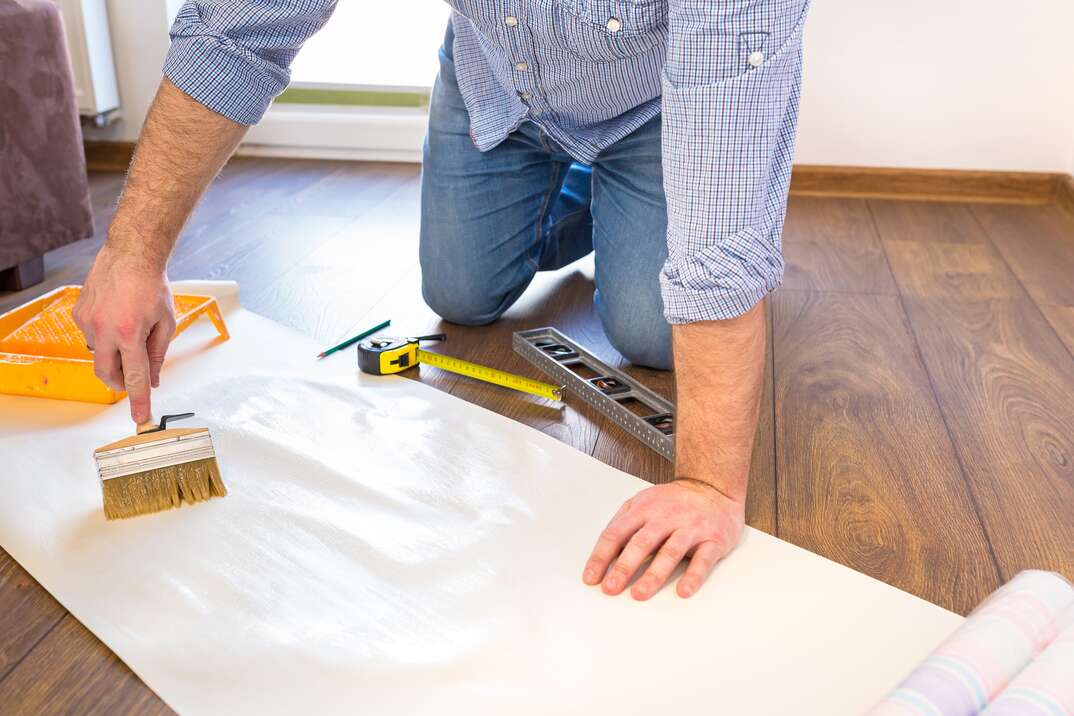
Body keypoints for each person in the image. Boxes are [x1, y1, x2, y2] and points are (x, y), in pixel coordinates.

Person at [74, 0, 809, 602]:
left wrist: (709, 484)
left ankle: (631, 196)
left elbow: (722, 233)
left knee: (650, 335)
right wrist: (133, 251)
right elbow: (233, 34)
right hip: (499, 79)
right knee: (460, 295)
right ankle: (606, 208)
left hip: (659, 107)